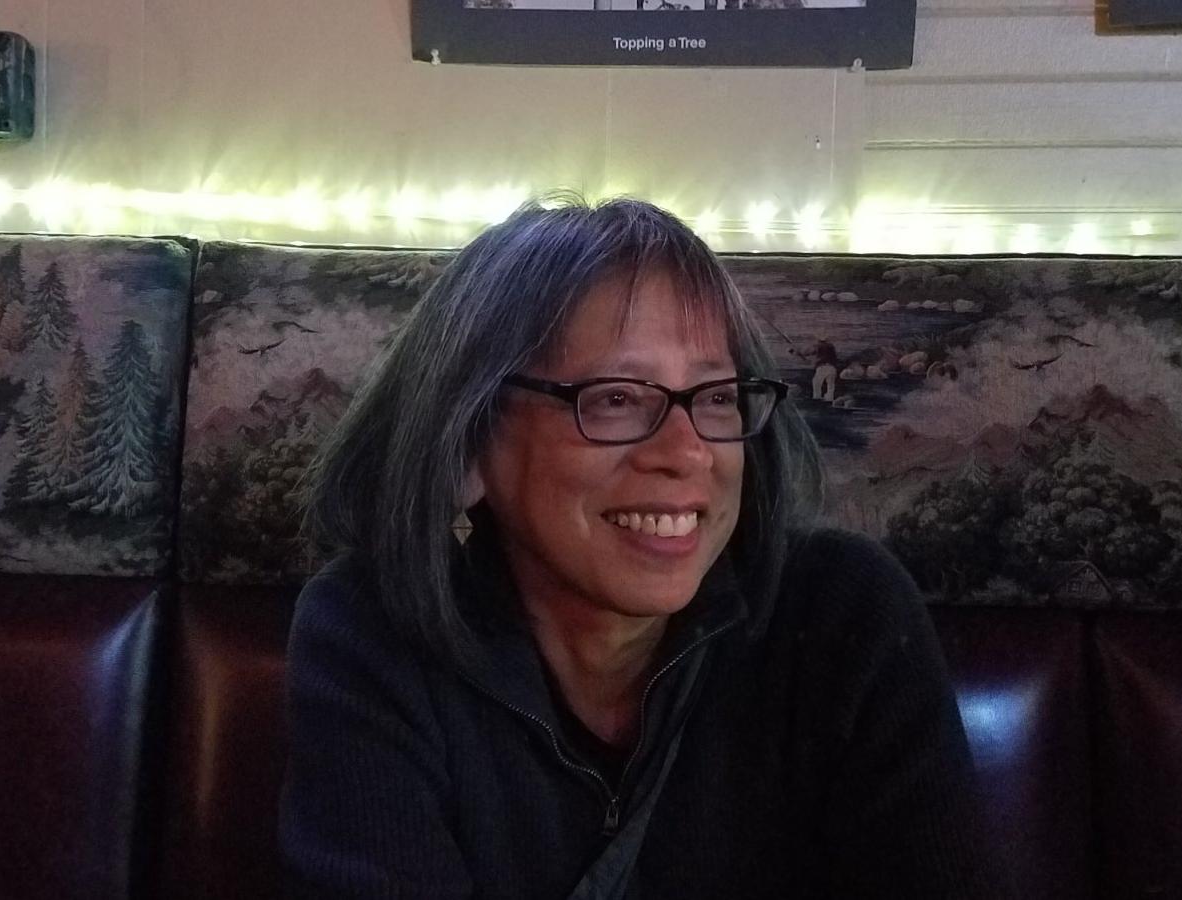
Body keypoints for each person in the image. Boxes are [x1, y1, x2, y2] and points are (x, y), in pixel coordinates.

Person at [280, 197, 1007, 899]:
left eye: (717, 396)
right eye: (617, 398)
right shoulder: (371, 634)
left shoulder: (844, 616)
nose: (690, 454)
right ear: (470, 439)